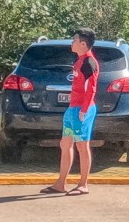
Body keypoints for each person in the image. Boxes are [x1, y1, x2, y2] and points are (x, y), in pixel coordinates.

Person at [42, 28, 98, 196]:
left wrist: (84, 110)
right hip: (72, 109)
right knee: (65, 144)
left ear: (83, 44)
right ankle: (61, 183)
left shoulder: (89, 62)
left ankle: (83, 184)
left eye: (74, 40)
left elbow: (92, 89)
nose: (71, 43)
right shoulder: (79, 61)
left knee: (82, 146)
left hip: (83, 110)